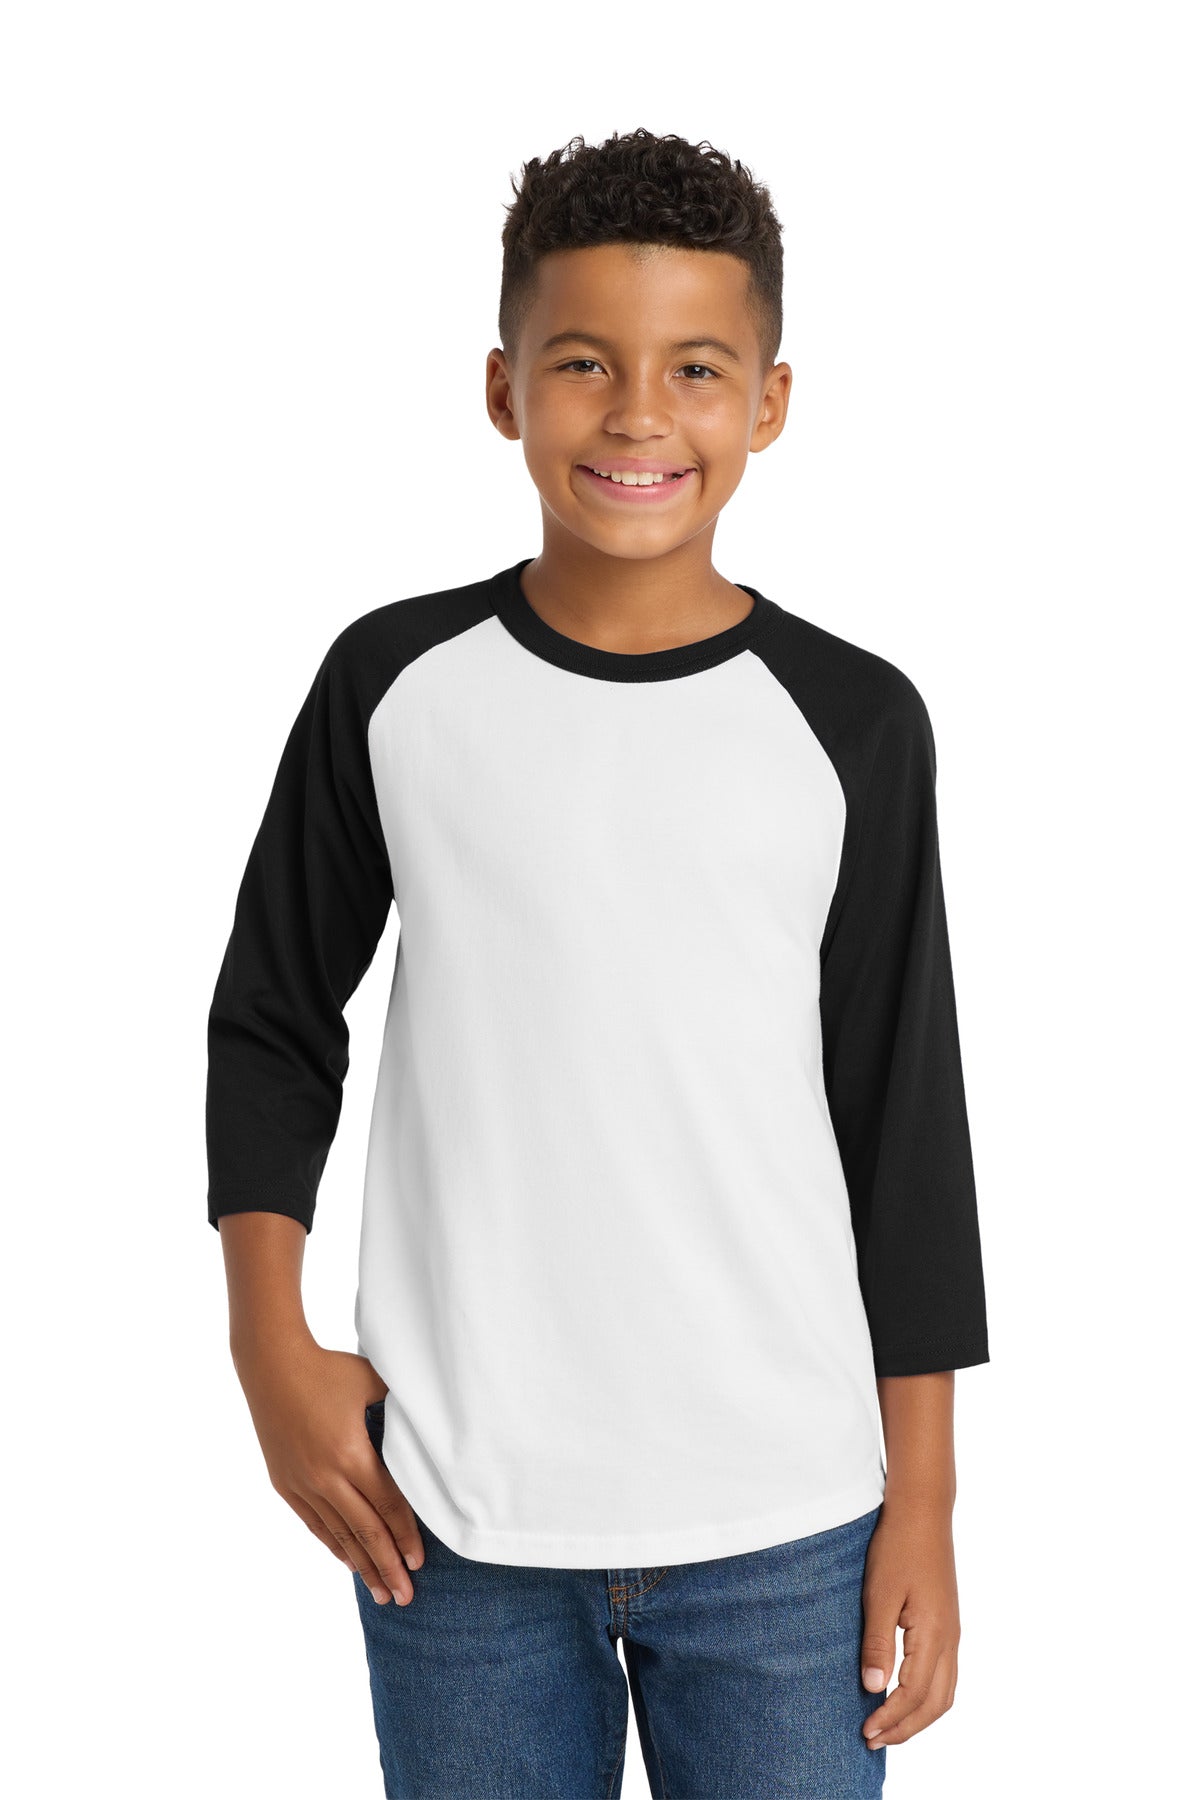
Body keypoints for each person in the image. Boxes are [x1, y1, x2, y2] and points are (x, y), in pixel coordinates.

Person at [206, 126, 990, 1800]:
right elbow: (273, 1016)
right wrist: (268, 1344)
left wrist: (922, 1489)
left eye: (696, 369)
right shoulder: (393, 684)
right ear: (504, 390)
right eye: (584, 364)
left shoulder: (855, 721)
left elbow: (902, 1116)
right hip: (454, 1524)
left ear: (770, 402)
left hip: (786, 1527)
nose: (639, 415)